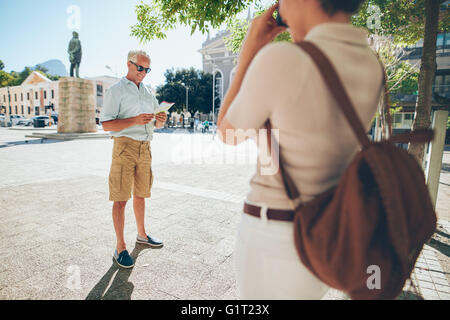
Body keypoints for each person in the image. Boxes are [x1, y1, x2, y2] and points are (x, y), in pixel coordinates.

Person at [217, 0, 380, 299]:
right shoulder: (372, 64)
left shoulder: (281, 59)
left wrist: (249, 52)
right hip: (327, 234)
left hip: (274, 235)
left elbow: (227, 133)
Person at [100, 50, 167, 268]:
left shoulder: (148, 92)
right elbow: (107, 125)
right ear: (129, 64)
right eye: (141, 68)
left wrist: (160, 120)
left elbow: (155, 124)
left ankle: (142, 235)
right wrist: (134, 121)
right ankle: (120, 247)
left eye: (148, 69)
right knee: (120, 198)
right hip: (124, 148)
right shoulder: (116, 91)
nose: (144, 73)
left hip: (145, 148)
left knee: (141, 195)